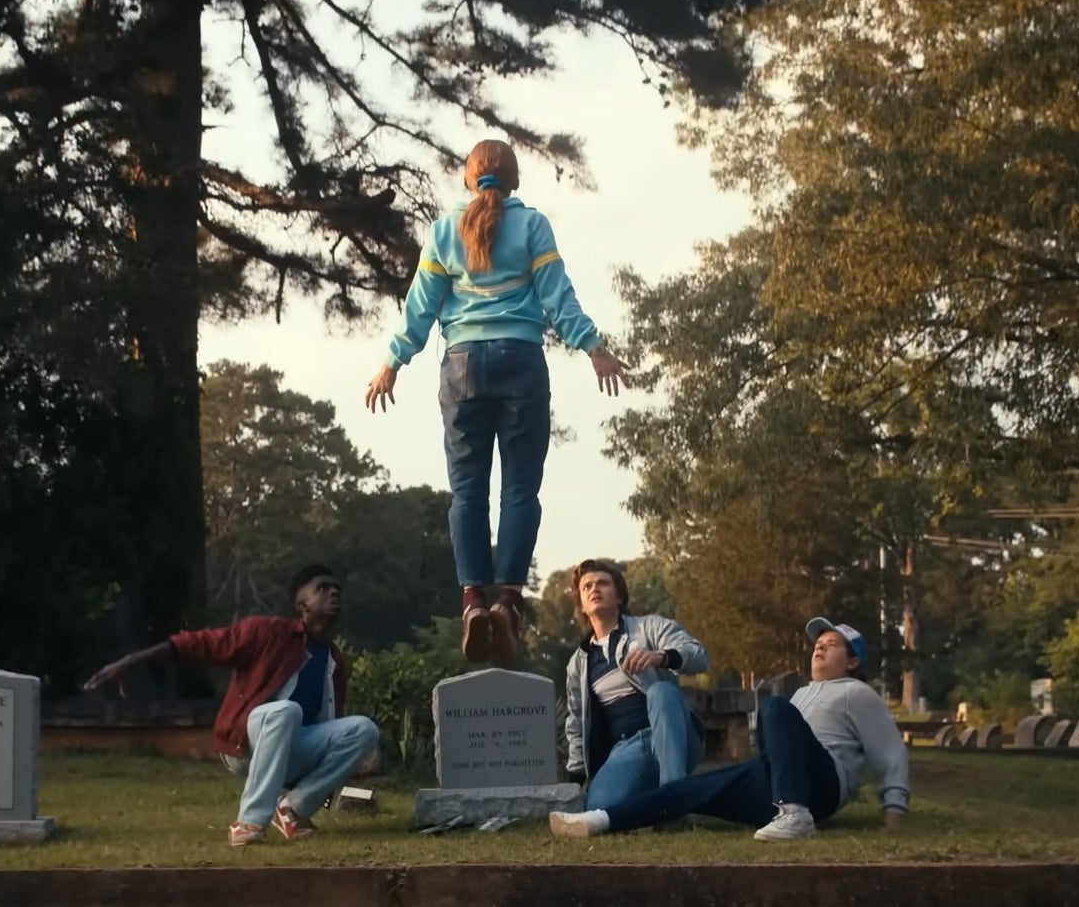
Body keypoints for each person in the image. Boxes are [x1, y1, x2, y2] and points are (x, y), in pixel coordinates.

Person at [362, 139, 629, 667]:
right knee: (520, 490)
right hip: (521, 363)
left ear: (468, 180)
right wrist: (593, 347)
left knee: (466, 490)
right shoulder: (532, 227)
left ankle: (471, 602)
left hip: (461, 368)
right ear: (514, 180)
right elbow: (557, 296)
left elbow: (420, 308)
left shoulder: (444, 232)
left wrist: (392, 361)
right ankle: (508, 601)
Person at [82, 564, 379, 847]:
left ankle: (292, 810)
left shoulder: (334, 660)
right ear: (302, 604)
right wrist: (130, 662)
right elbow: (200, 643)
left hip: (291, 749)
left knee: (364, 729)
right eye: (323, 588)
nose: (334, 593)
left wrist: (334, 771)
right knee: (286, 710)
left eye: (337, 588)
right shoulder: (268, 632)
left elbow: (329, 721)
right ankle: (249, 823)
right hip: (247, 744)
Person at [549, 618, 910, 841]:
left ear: (852, 661)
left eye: (830, 646)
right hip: (774, 782)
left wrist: (894, 815)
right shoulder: (802, 692)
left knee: (772, 705)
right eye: (817, 644)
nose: (819, 648)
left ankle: (796, 814)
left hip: (822, 784)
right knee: (684, 791)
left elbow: (891, 754)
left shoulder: (858, 692)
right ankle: (598, 821)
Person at [562, 559, 710, 812]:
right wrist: (574, 780)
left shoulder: (649, 627)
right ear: (583, 607)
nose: (594, 589)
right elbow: (576, 724)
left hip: (672, 733)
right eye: (587, 587)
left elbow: (699, 656)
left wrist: (662, 656)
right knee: (599, 806)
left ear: (619, 596)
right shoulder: (579, 663)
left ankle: (675, 801)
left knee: (661, 691)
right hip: (626, 748)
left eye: (603, 583)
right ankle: (653, 798)